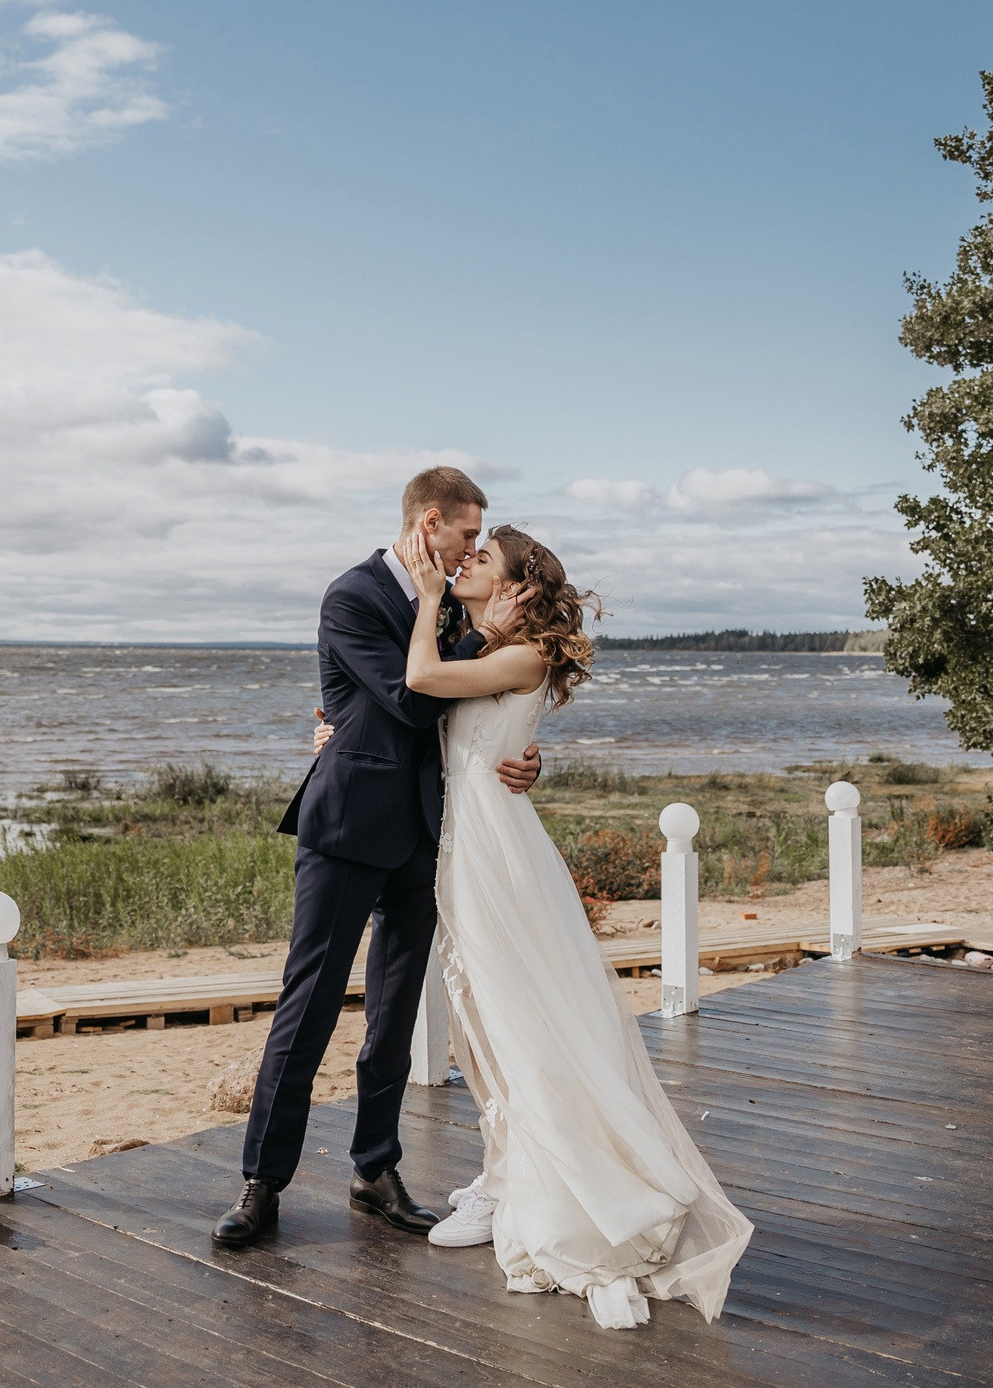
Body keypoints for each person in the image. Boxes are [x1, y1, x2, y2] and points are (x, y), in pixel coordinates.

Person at [391, 523, 753, 1329]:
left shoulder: (520, 655)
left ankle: (522, 1183)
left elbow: (420, 677)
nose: (466, 565)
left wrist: (424, 599)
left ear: (517, 589)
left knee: (509, 1017)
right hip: (478, 840)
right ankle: (506, 1168)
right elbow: (454, 720)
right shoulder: (501, 651)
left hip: (493, 851)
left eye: (483, 560)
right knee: (486, 1017)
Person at [212, 467, 542, 1249]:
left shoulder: (455, 610)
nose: (470, 554)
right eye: (466, 536)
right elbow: (412, 696)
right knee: (309, 1007)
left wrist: (524, 756)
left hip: (429, 835)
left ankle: (374, 1167)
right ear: (431, 522)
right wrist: (468, 626)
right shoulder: (353, 596)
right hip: (347, 829)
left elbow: (481, 706)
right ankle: (262, 1181)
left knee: (393, 1019)